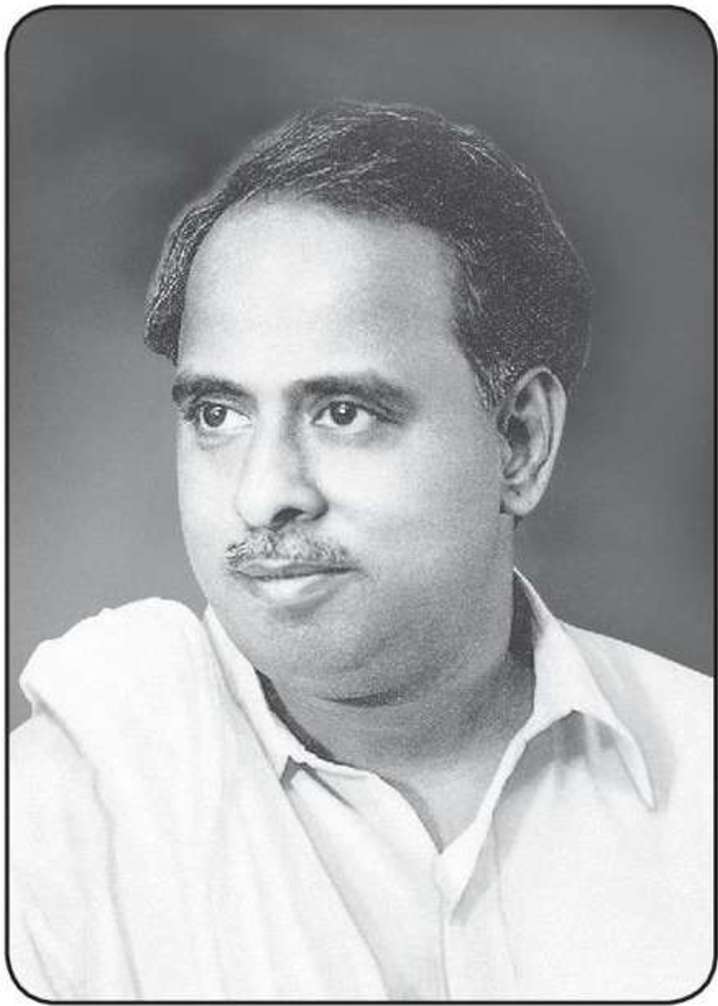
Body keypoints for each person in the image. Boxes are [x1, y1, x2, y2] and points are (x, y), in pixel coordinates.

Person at [10, 101, 711, 1002]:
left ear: (519, 441)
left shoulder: (700, 774)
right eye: (217, 414)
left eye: (343, 412)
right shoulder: (57, 823)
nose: (263, 493)